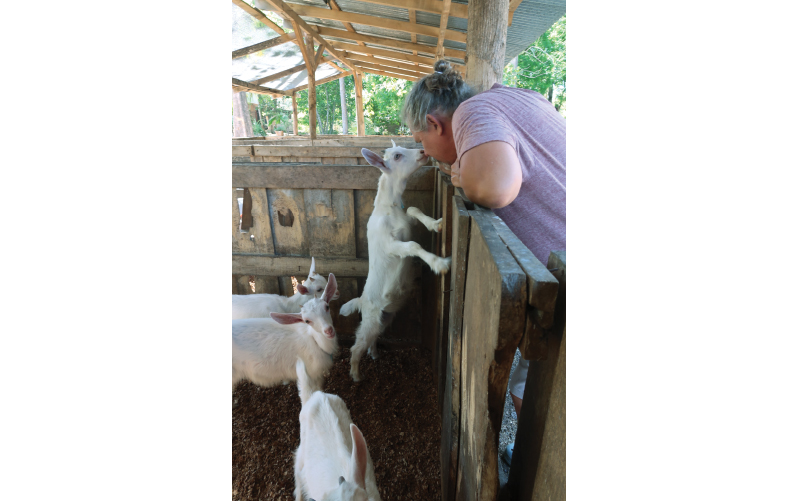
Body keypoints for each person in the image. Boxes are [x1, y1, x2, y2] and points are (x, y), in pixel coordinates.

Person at [401, 60, 566, 463]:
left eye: (421, 140)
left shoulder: (471, 113)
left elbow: (494, 187)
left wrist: (459, 168)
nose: (424, 152)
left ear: (435, 123)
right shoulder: (513, 96)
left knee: (537, 385)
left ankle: (537, 464)